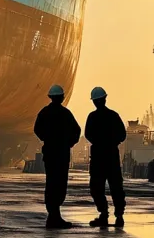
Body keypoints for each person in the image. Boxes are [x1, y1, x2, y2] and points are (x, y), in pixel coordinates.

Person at [33, 84, 82, 229]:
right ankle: (55, 216)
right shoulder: (65, 113)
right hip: (62, 154)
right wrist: (69, 143)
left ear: (50, 97)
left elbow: (37, 129)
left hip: (50, 153)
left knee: (51, 183)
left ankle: (53, 215)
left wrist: (46, 139)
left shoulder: (44, 113)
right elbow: (77, 130)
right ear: (61, 97)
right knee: (60, 184)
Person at [84, 86, 126, 228]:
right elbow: (122, 134)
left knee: (97, 187)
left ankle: (104, 213)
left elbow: (88, 134)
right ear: (104, 99)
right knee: (116, 187)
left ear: (95, 101)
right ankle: (119, 215)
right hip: (111, 156)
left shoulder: (92, 117)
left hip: (98, 157)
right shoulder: (113, 116)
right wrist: (112, 142)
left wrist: (98, 142)